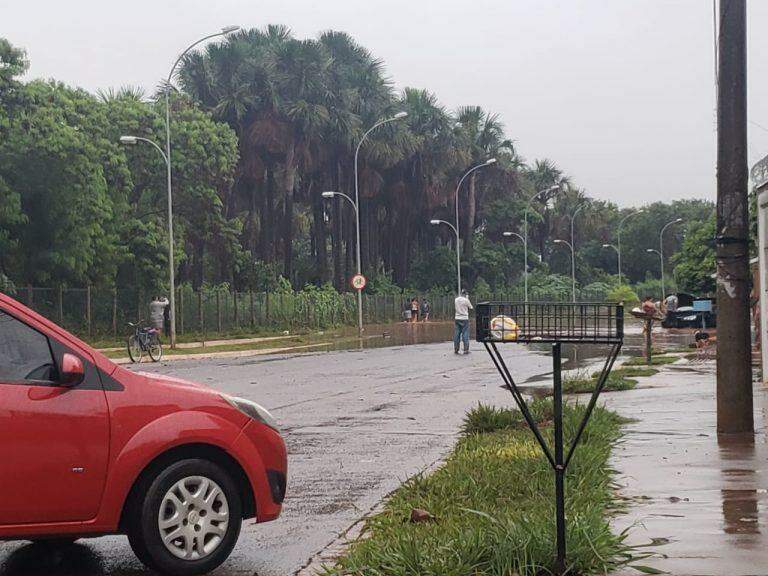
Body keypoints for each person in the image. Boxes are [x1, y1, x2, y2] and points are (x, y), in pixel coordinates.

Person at [453, 289, 473, 354]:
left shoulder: (456, 300)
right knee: (465, 334)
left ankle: (456, 349)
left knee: (456, 334)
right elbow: (471, 307)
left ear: (461, 293)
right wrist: (467, 298)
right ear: (465, 294)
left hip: (457, 318)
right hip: (464, 318)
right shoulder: (466, 300)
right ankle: (466, 349)